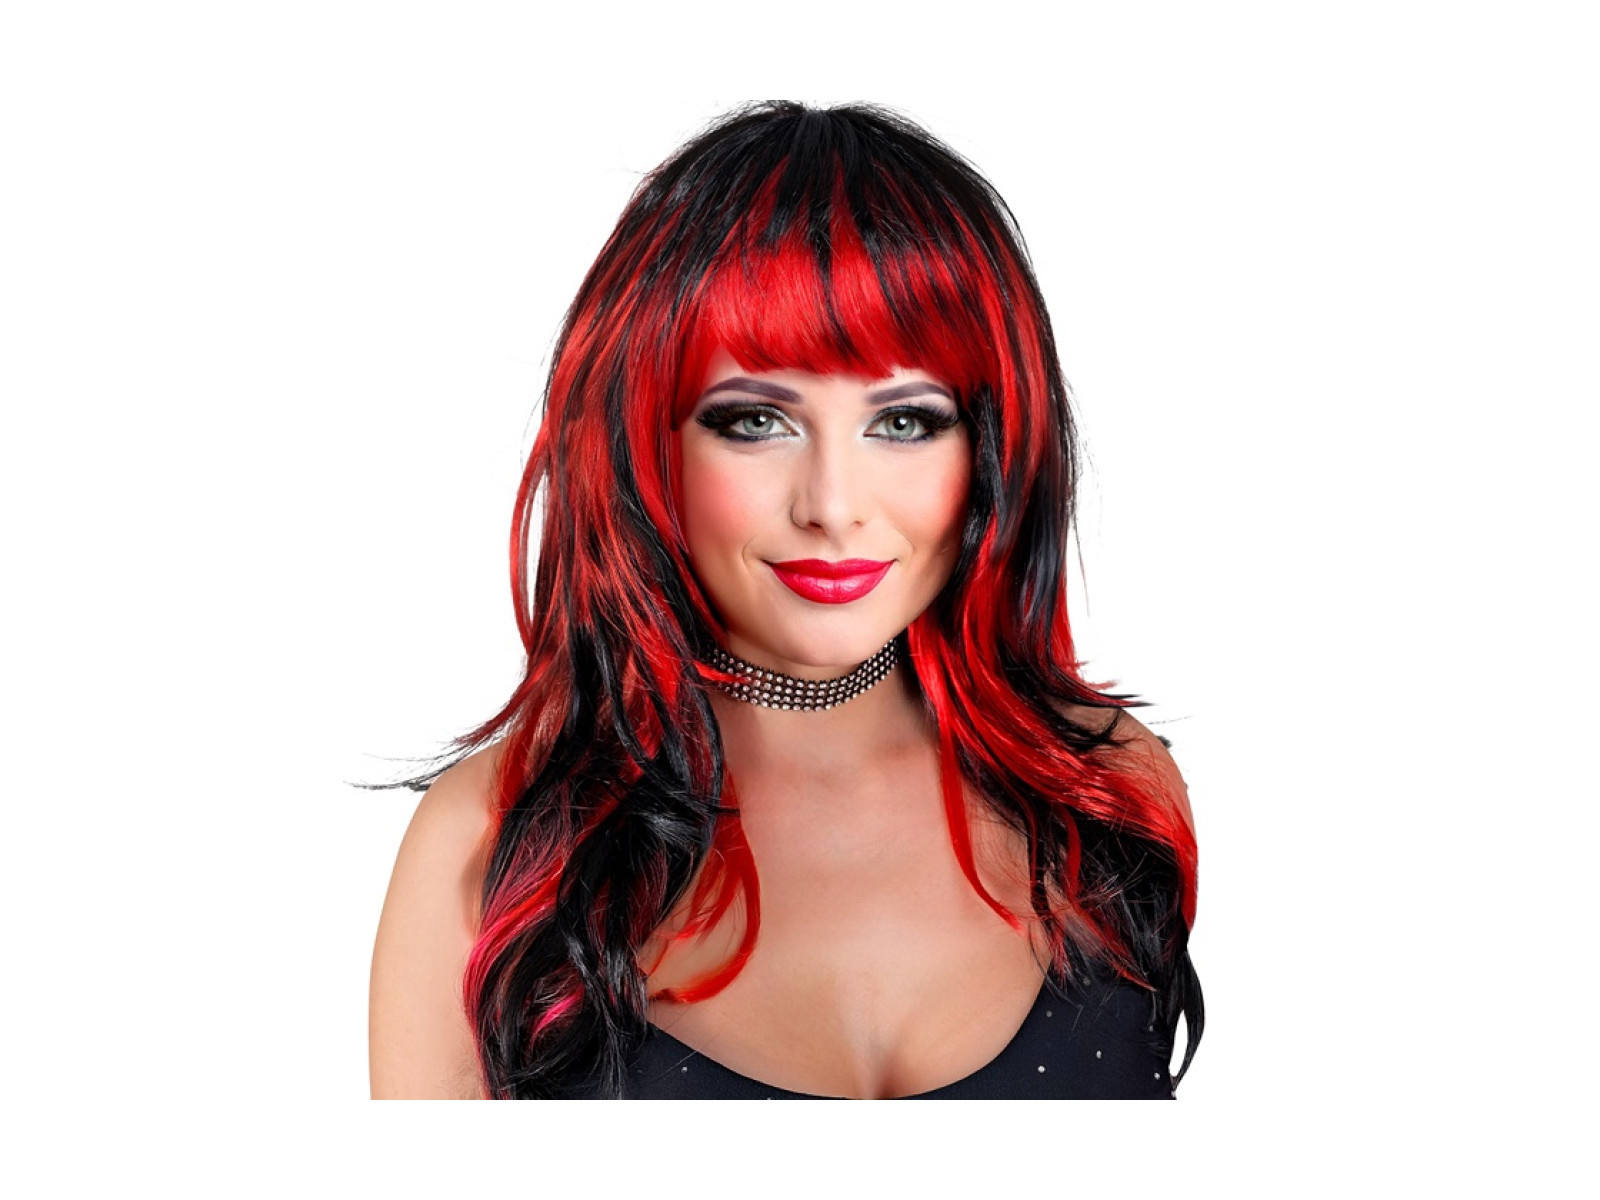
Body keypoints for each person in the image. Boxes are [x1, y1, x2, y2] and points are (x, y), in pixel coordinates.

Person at [369, 101, 1202, 1099]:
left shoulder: (1109, 794)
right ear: (644, 441)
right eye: (756, 420)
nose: (832, 507)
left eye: (905, 421)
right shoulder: (489, 849)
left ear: (990, 448)